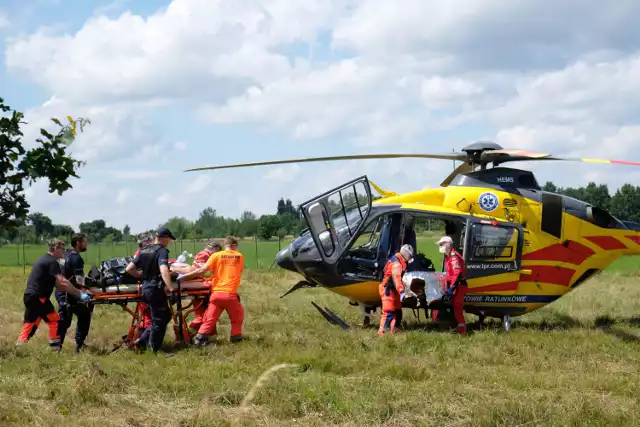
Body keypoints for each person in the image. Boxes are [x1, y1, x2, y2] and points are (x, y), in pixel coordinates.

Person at [16, 239, 92, 350]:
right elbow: (63, 282)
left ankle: (19, 348)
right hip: (39, 298)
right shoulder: (51, 261)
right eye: (62, 249)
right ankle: (54, 350)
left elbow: (59, 285)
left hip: (30, 296)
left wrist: (75, 293)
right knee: (55, 320)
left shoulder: (44, 259)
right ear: (55, 248)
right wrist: (79, 294)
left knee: (31, 323)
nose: (64, 251)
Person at [177, 236, 244, 346]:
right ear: (234, 246)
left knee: (209, 319)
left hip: (216, 294)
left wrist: (183, 278)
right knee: (237, 316)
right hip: (230, 294)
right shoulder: (239, 256)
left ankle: (199, 340)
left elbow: (201, 270)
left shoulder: (216, 256)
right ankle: (236, 337)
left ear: (225, 245)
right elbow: (238, 270)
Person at [125, 227, 176, 353]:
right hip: (155, 289)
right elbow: (164, 270)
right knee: (159, 320)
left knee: (165, 316)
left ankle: (142, 340)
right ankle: (153, 350)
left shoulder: (144, 250)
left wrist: (141, 276)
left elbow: (129, 268)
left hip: (146, 288)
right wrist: (171, 289)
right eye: (168, 240)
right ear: (163, 238)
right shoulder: (161, 251)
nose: (168, 242)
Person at [56, 233, 94, 353]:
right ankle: (79, 345)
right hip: (70, 293)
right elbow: (79, 279)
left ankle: (57, 347)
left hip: (60, 292)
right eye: (84, 241)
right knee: (84, 315)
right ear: (78, 243)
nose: (86, 244)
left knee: (64, 321)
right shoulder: (76, 258)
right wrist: (91, 284)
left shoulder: (64, 255)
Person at [377, 244, 413, 335]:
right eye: (410, 256)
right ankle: (382, 331)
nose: (410, 258)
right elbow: (396, 278)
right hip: (387, 289)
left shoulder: (400, 260)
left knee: (397, 309)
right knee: (388, 310)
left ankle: (394, 328)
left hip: (394, 288)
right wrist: (402, 291)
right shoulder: (397, 263)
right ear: (407, 255)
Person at [437, 235, 468, 335]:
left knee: (457, 307)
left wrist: (452, 288)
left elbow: (457, 273)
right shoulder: (448, 256)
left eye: (441, 244)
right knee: (454, 307)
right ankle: (456, 326)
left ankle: (462, 330)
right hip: (455, 285)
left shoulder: (453, 256)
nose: (440, 246)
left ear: (448, 245)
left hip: (459, 286)